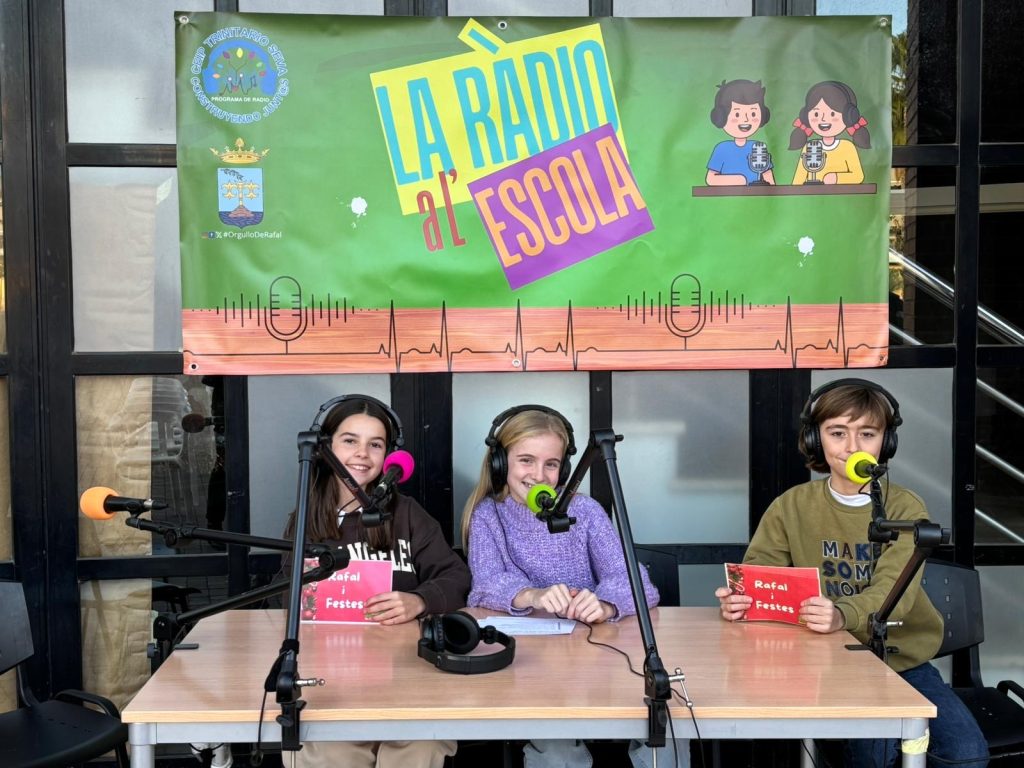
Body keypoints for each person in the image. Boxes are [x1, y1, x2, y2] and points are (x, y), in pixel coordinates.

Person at [715, 379, 988, 768]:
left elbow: (895, 591)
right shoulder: (791, 506)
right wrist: (742, 601)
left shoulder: (905, 508)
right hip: (827, 663)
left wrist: (842, 614)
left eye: (868, 434)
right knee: (873, 756)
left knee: (966, 755)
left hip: (902, 662)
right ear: (815, 440)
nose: (852, 446)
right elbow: (760, 575)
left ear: (885, 443)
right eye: (837, 432)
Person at [462, 405, 679, 768]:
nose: (539, 475)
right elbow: (484, 586)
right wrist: (532, 595)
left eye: (551, 464)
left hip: (602, 663)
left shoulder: (586, 511)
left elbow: (637, 582)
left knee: (667, 728)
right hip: (532, 670)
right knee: (558, 751)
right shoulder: (488, 515)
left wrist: (606, 604)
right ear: (500, 463)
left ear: (564, 469)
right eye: (526, 460)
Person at [283, 394, 471, 768]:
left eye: (376, 444)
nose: (362, 454)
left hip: (407, 673)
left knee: (421, 745)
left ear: (389, 455)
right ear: (325, 448)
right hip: (330, 676)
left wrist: (420, 600)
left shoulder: (408, 514)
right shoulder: (306, 517)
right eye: (350, 440)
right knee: (330, 752)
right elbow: (284, 595)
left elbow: (457, 576)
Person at [789, 80, 870, 185]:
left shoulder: (847, 147)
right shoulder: (810, 147)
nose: (823, 119)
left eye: (832, 114)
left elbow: (858, 176)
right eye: (816, 114)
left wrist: (836, 177)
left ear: (849, 116)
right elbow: (798, 181)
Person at [705, 78, 776, 186]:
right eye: (737, 114)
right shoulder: (722, 148)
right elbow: (710, 179)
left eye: (753, 114)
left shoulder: (759, 147)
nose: (746, 120)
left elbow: (768, 176)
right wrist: (740, 179)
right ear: (721, 116)